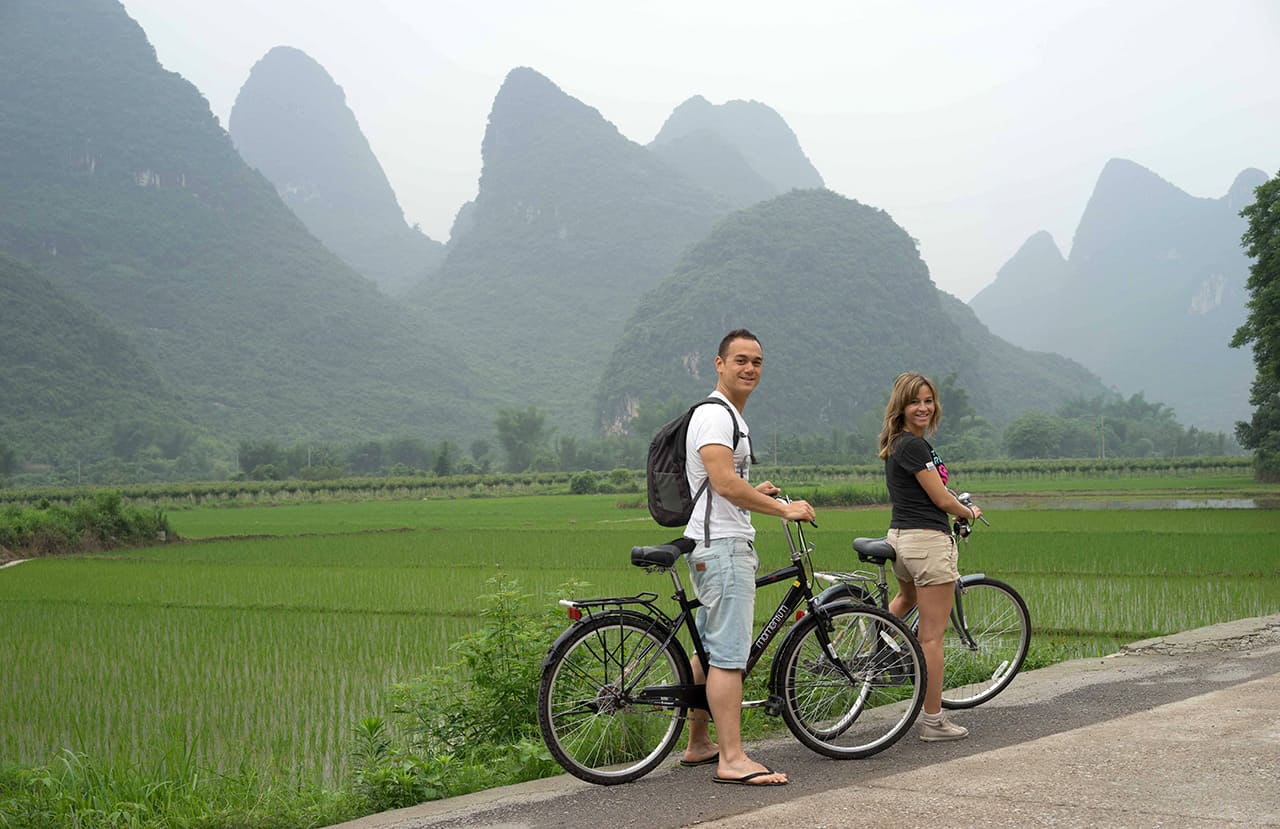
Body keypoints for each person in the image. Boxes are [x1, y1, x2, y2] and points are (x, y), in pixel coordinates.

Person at [679, 328, 815, 786]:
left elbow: (722, 486)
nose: (749, 368)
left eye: (756, 361)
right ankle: (732, 759)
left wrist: (752, 492)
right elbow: (722, 482)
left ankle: (700, 744)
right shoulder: (717, 417)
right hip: (723, 549)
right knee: (730, 657)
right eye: (740, 360)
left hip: (709, 541)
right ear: (718, 364)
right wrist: (782, 508)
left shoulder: (725, 416)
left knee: (709, 649)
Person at [877, 371, 982, 741]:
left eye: (928, 400)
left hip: (901, 540)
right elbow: (940, 498)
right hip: (926, 542)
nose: (923, 407)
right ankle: (934, 722)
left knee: (905, 598)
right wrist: (968, 512)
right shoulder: (914, 447)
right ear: (901, 406)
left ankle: (872, 644)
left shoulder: (899, 443)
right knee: (932, 638)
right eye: (914, 401)